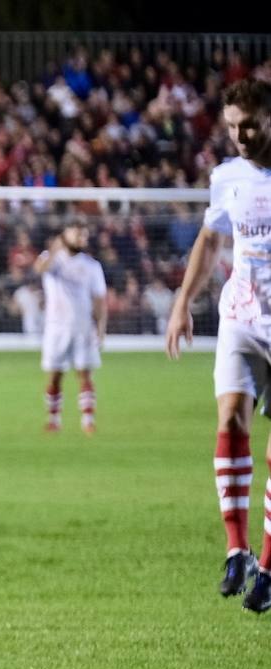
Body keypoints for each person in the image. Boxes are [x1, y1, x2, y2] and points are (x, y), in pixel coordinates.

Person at [166, 79, 271, 607]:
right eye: (232, 126)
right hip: (242, 317)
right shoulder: (227, 177)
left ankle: (270, 568)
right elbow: (211, 239)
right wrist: (183, 301)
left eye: (249, 124)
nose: (240, 136)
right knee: (230, 418)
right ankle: (237, 551)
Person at [35, 219, 107, 433]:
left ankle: (88, 421)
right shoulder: (52, 260)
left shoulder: (91, 266)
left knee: (84, 372)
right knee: (55, 374)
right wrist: (56, 247)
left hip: (83, 326)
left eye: (84, 235)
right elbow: (39, 268)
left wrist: (101, 328)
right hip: (56, 327)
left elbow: (99, 299)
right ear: (65, 235)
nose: (81, 238)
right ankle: (54, 420)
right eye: (77, 234)